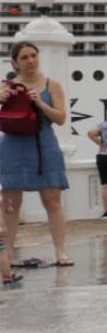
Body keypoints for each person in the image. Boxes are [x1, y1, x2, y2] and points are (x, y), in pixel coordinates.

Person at [0, 41, 72, 267]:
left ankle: (60, 252)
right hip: (13, 145)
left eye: (34, 55)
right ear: (15, 63)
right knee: (11, 202)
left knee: (53, 200)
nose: (31, 60)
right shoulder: (6, 86)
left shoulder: (52, 85)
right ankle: (8, 254)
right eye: (24, 57)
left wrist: (39, 103)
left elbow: (60, 118)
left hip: (44, 143)